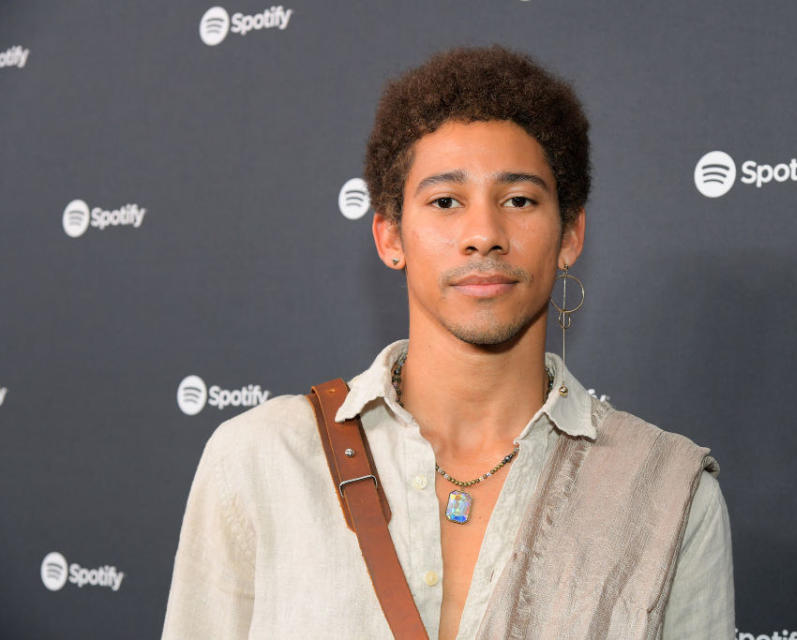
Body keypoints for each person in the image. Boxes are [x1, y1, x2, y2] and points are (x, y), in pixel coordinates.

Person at [161, 45, 734, 640]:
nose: (484, 234)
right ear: (390, 236)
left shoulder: (668, 495)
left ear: (570, 235)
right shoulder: (262, 461)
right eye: (445, 202)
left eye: (519, 200)